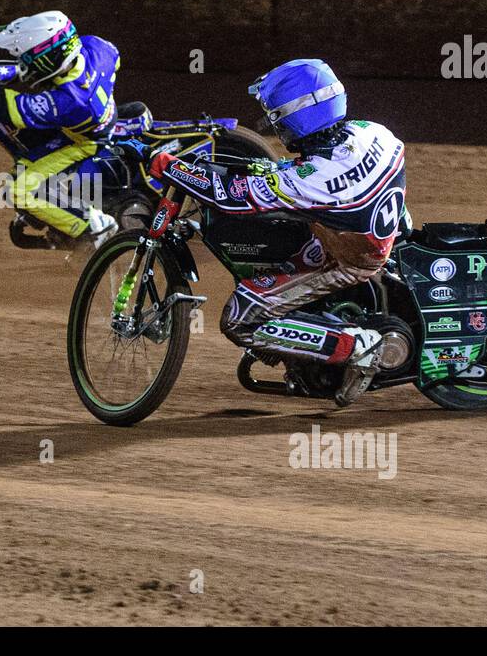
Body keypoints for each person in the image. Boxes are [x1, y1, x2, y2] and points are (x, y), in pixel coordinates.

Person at [148, 58, 407, 404]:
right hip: (379, 227)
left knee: (239, 320)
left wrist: (171, 168)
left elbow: (230, 197)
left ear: (296, 115)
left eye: (276, 114)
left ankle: (357, 347)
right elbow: (302, 172)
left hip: (349, 258)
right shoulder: (372, 131)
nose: (273, 122)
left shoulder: (313, 178)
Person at [0, 11, 119, 246]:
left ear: (52, 60)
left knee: (19, 191)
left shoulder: (69, 99)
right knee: (25, 160)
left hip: (84, 143)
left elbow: (6, 108)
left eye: (28, 59)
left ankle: (95, 227)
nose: (24, 63)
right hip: (89, 124)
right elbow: (115, 58)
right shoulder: (95, 47)